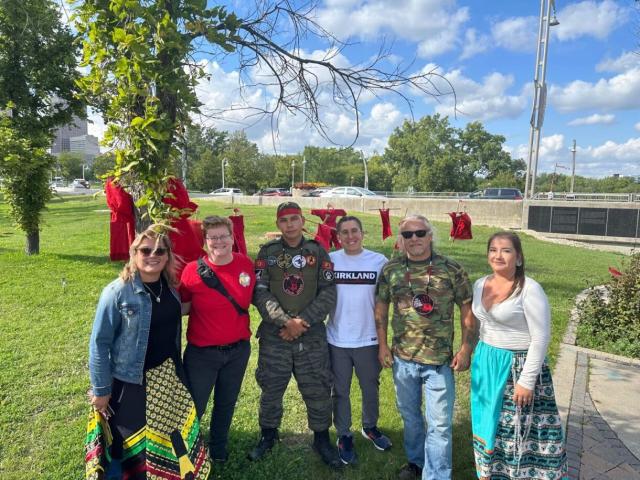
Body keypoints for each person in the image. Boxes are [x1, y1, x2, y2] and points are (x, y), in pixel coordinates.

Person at [86, 227, 210, 479]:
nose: (153, 255)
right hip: (131, 380)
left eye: (160, 250)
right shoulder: (118, 291)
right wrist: (101, 389)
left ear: (167, 256)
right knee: (130, 441)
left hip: (169, 376)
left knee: (169, 434)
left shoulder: (170, 288)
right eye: (145, 250)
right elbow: (99, 343)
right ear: (133, 253)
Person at [375, 214, 476, 480]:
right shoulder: (391, 270)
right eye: (408, 235)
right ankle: (416, 463)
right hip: (403, 358)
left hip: (438, 361)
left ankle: (438, 475)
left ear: (430, 235)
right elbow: (381, 309)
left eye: (420, 233)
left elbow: (467, 312)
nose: (414, 239)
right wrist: (382, 345)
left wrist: (466, 348)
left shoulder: (451, 269)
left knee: (440, 425)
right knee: (410, 417)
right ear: (401, 240)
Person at [249, 201, 341, 468]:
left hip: (310, 335)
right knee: (271, 387)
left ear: (302, 221)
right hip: (275, 335)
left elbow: (329, 291)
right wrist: (285, 321)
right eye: (284, 220)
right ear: (278, 224)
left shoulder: (317, 251)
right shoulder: (268, 253)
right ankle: (268, 436)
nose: (289, 224)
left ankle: (322, 439)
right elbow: (259, 291)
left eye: (294, 218)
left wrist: (302, 321)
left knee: (318, 388)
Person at [470, 232, 567, 479]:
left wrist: (527, 380)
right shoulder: (480, 284)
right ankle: (491, 472)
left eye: (506, 250)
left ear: (519, 257)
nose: (498, 255)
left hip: (517, 366)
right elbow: (480, 324)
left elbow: (541, 338)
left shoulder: (529, 290)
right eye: (493, 249)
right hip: (487, 363)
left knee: (517, 430)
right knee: (490, 423)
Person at [179, 215, 256, 463]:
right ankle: (188, 451)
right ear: (205, 241)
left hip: (238, 351)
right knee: (195, 406)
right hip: (202, 354)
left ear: (233, 238)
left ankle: (218, 447)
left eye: (224, 236)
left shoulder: (247, 266)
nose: (219, 241)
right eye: (213, 237)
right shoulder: (192, 271)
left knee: (226, 402)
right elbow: (183, 308)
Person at [327, 215, 392, 465]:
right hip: (337, 339)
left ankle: (370, 427)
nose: (350, 236)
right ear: (338, 236)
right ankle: (344, 434)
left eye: (355, 231)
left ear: (363, 233)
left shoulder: (379, 261)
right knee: (340, 391)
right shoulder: (331, 261)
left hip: (368, 338)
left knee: (370, 387)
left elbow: (386, 301)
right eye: (345, 232)